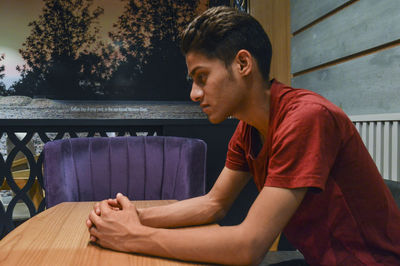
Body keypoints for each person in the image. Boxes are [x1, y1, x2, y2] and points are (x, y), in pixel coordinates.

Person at [86, 6, 400, 265]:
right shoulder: (248, 128)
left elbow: (248, 246)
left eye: (202, 77)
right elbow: (213, 203)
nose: (195, 93)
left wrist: (132, 235)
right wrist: (135, 217)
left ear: (243, 63)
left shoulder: (307, 118)